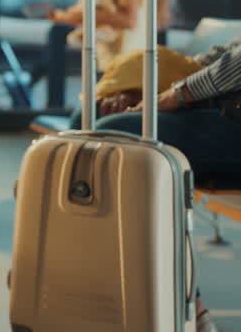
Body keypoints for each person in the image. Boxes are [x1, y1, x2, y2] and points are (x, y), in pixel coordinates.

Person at [93, 37, 241, 332]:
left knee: (117, 137)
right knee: (95, 114)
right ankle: (152, 299)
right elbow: (226, 54)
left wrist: (178, 93)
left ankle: (182, 305)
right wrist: (140, 89)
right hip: (220, 105)